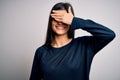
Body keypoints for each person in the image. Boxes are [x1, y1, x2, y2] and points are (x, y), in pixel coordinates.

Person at [30, 2, 115, 80]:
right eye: (56, 18)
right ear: (51, 21)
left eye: (63, 18)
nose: (60, 22)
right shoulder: (41, 52)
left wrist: (75, 21)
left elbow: (109, 34)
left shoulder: (84, 45)